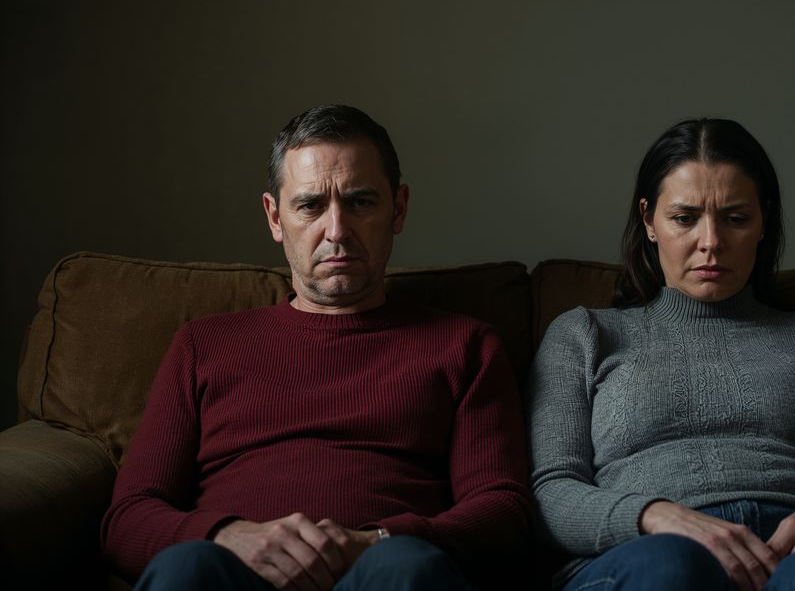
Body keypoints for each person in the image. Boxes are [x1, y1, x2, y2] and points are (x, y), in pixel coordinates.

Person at [101, 105, 532, 591]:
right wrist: (227, 535)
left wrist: (378, 541)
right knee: (187, 569)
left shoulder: (465, 346)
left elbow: (503, 511)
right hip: (235, 578)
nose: (337, 231)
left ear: (399, 209)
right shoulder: (202, 345)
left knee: (406, 567)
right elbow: (128, 519)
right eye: (310, 206)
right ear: (274, 217)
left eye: (361, 202)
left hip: (383, 574)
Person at [528, 118, 795, 591]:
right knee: (671, 568)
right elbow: (551, 494)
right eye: (684, 218)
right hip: (646, 556)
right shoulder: (584, 334)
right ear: (649, 220)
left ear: (763, 220)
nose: (711, 242)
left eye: (735, 218)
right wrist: (654, 516)